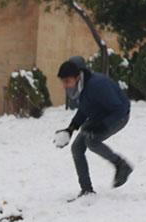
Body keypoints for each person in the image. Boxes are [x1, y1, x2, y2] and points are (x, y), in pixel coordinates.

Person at [55, 58, 133, 198]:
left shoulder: (98, 85)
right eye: (62, 82)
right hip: (98, 116)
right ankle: (86, 190)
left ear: (77, 76)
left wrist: (102, 126)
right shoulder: (81, 87)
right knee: (77, 148)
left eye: (67, 81)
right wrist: (71, 128)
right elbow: (84, 109)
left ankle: (122, 165)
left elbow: (120, 109)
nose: (65, 85)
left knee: (92, 141)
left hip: (119, 116)